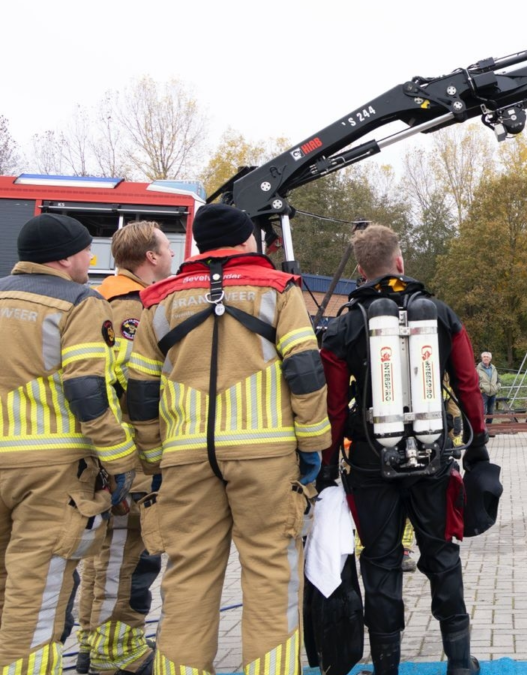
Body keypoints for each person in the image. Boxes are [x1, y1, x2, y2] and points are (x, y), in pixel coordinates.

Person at [126, 204, 331, 675]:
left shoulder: (159, 300)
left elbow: (141, 389)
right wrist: (312, 444)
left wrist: (154, 456)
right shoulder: (278, 289)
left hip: (184, 458)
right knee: (271, 572)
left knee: (187, 574)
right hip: (266, 457)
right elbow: (305, 370)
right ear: (244, 241)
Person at [319, 224, 490, 675]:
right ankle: (459, 663)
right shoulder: (440, 314)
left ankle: (386, 667)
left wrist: (327, 466)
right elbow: (468, 384)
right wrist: (478, 444)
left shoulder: (345, 324)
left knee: (380, 562)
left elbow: (332, 406)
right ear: (400, 262)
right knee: (442, 556)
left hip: (371, 462)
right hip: (433, 458)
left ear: (360, 272)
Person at [0, 214, 137, 675]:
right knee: (34, 596)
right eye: (86, 254)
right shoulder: (79, 303)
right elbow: (86, 389)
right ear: (63, 258)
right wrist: (120, 459)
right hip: (50, 474)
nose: (90, 262)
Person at [76, 222, 175, 675]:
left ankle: (93, 642)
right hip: (133, 453)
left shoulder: (99, 299)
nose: (171, 254)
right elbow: (133, 382)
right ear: (150, 257)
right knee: (130, 555)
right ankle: (118, 652)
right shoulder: (133, 306)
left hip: (108, 453)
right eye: (167, 247)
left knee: (105, 555)